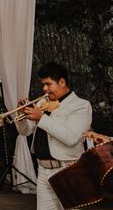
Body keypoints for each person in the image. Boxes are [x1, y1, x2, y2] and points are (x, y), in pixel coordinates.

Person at [15, 62, 92, 210]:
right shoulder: (44, 103)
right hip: (43, 171)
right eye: (43, 84)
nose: (44, 89)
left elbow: (71, 138)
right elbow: (25, 131)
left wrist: (41, 117)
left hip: (68, 170)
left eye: (48, 84)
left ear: (62, 82)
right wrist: (22, 117)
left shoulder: (81, 106)